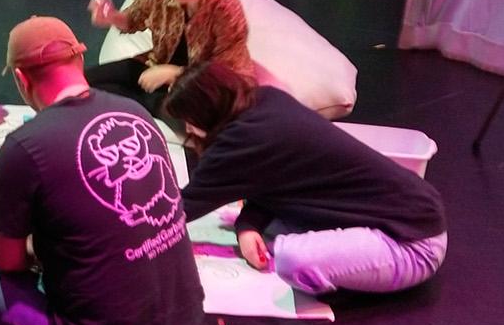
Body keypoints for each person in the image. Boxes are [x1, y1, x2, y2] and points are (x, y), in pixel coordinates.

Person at [0, 17, 203, 325]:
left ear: (21, 80)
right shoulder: (140, 115)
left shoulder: (24, 146)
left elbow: (8, 261)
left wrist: (39, 248)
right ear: (80, 62)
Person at [166, 61, 447, 295]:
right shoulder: (265, 101)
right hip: (412, 214)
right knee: (270, 229)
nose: (189, 129)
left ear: (205, 110)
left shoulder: (240, 141)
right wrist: (247, 226)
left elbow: (177, 210)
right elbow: (271, 181)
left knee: (292, 259)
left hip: (410, 242)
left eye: (189, 120)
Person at [85, 0, 252, 115]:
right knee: (83, 83)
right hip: (155, 65)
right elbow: (132, 20)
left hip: (196, 89)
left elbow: (226, 76)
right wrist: (111, 17)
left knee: (154, 107)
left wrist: (175, 73)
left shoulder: (226, 9)